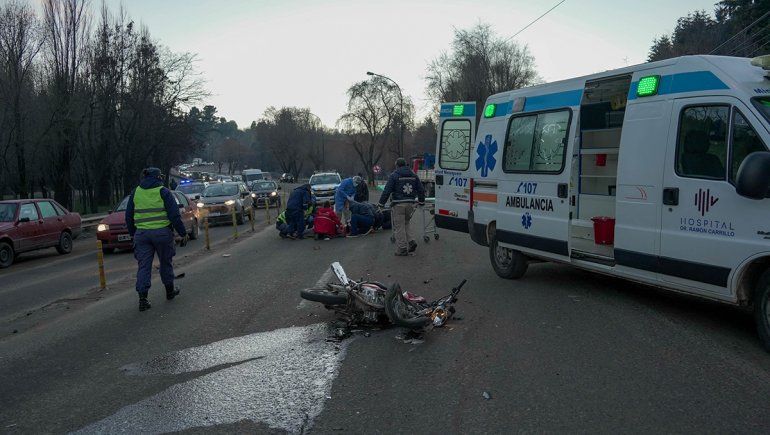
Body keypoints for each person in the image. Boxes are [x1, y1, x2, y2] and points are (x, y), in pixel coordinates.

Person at [126, 167, 188, 311]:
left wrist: (133, 233)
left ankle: (143, 299)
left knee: (144, 267)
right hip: (162, 233)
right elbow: (174, 215)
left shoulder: (136, 192)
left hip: (142, 235)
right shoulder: (163, 191)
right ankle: (170, 292)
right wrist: (183, 233)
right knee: (165, 263)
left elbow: (128, 216)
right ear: (158, 177)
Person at [378, 157, 425, 256]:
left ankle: (402, 248)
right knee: (406, 223)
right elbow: (421, 189)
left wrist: (381, 204)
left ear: (397, 166)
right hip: (410, 204)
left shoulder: (394, 175)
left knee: (399, 226)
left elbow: (387, 191)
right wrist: (421, 201)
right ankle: (411, 241)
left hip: (398, 204)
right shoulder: (414, 175)